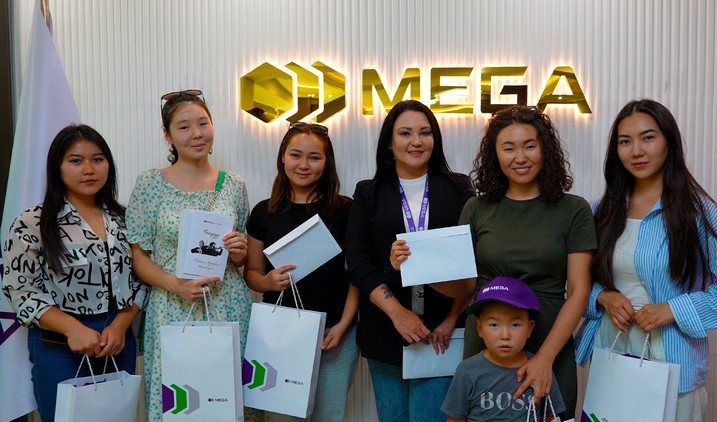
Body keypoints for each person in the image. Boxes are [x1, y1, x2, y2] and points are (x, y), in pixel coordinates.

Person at [575, 99, 717, 421]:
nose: (636, 151)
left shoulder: (697, 212)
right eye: (625, 141)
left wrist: (673, 309)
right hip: (610, 353)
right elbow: (573, 284)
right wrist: (603, 297)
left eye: (648, 138)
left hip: (673, 363)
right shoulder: (600, 211)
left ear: (670, 142)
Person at [2, 124, 149, 422]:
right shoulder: (32, 222)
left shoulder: (125, 219)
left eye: (98, 159)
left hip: (117, 340)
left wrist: (121, 324)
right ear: (57, 167)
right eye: (76, 160)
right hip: (58, 344)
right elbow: (21, 292)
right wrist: (72, 329)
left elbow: (143, 278)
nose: (89, 169)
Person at [124, 90, 254, 421]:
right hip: (172, 306)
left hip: (227, 305)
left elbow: (240, 259)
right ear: (167, 135)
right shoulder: (151, 183)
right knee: (179, 402)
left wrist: (239, 252)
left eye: (203, 123)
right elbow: (139, 256)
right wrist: (176, 285)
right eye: (184, 127)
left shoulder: (234, 185)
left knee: (226, 401)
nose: (196, 134)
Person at [460, 106, 596, 420]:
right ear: (495, 155)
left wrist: (544, 358)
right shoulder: (475, 208)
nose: (520, 157)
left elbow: (579, 292)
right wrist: (416, 264)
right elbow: (464, 287)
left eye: (530, 146)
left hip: (549, 337)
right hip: (486, 340)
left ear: (545, 149)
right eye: (509, 148)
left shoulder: (574, 209)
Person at [346, 100, 475, 421]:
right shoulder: (368, 192)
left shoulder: (459, 188)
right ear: (389, 142)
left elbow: (470, 260)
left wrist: (452, 318)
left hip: (441, 333)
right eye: (405, 133)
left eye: (425, 133)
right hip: (386, 331)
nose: (416, 141)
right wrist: (398, 313)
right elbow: (358, 263)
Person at [244, 121, 359, 421]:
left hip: (334, 335)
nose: (304, 165)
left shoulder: (346, 210)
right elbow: (252, 272)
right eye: (296, 155)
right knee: (280, 417)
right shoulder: (264, 212)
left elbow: (358, 275)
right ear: (283, 157)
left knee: (329, 416)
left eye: (314, 157)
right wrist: (268, 282)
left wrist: (343, 326)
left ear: (327, 162)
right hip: (279, 337)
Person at [442, 276, 564, 421]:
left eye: (515, 325)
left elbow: (550, 417)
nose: (505, 335)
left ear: (529, 328)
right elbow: (454, 419)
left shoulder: (540, 370)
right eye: (494, 325)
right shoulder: (467, 371)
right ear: (480, 328)